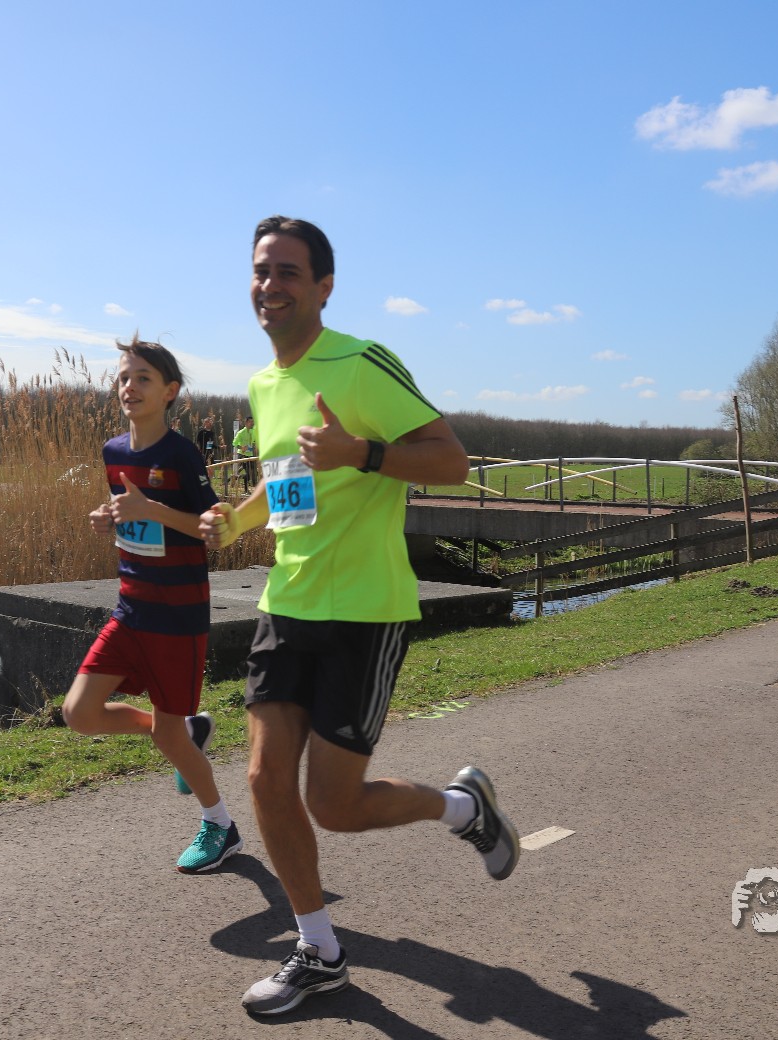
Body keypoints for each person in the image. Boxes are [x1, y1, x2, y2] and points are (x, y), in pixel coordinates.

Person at [199, 216, 518, 1016]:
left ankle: (462, 807)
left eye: (288, 272)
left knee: (334, 808)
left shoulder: (363, 361)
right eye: (261, 271)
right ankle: (321, 951)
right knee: (265, 779)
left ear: (324, 286)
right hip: (288, 601)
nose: (270, 286)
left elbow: (452, 461)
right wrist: (231, 524)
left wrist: (363, 454)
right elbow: (286, 481)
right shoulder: (264, 385)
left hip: (364, 614)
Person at [61, 334, 242, 875]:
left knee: (168, 733)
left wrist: (152, 510)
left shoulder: (182, 454)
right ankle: (187, 733)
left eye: (143, 378)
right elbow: (128, 509)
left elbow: (211, 530)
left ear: (170, 391)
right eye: (123, 377)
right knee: (79, 713)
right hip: (130, 607)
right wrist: (108, 516)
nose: (129, 387)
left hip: (177, 617)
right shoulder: (114, 451)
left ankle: (220, 825)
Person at [232, 415, 258, 492]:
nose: (252, 423)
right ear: (246, 423)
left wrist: (255, 445)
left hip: (250, 455)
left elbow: (254, 441)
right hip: (242, 455)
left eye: (252, 422)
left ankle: (238, 476)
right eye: (250, 422)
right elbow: (234, 443)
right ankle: (246, 490)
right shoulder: (241, 433)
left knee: (254, 472)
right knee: (248, 473)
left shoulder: (253, 432)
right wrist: (241, 447)